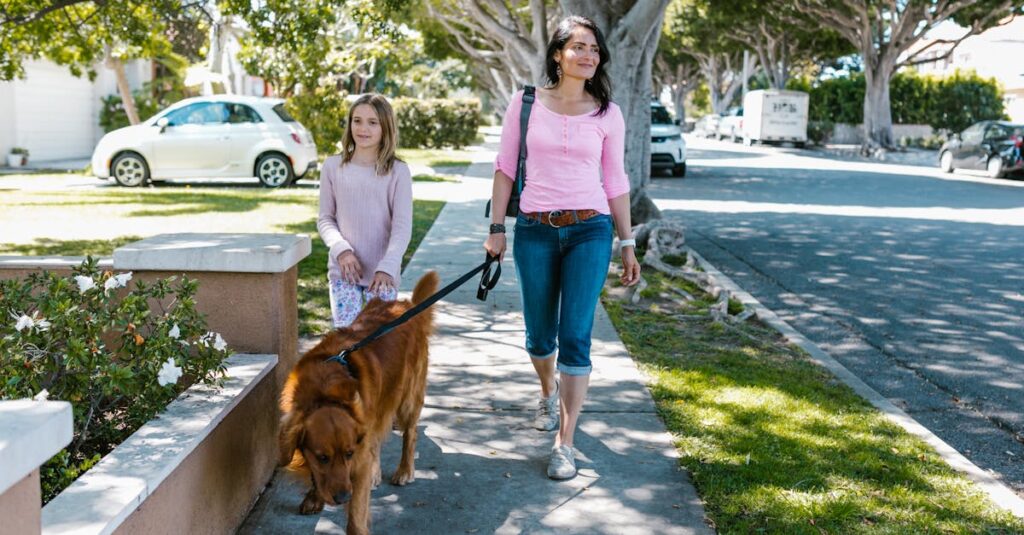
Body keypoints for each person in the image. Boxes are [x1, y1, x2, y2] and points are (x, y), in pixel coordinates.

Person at [483, 15, 641, 480]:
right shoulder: (526, 102)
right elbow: (505, 166)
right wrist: (496, 228)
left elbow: (615, 180)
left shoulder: (607, 112)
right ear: (558, 54)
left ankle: (564, 445)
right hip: (534, 228)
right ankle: (547, 390)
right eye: (579, 47)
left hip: (591, 229)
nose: (589, 55)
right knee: (538, 335)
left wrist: (627, 242)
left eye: (594, 48)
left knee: (576, 334)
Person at [318, 94, 413, 328]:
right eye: (357, 120)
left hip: (383, 277)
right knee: (347, 344)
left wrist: (388, 267)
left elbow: (401, 228)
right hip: (344, 273)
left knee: (378, 348)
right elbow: (325, 219)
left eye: (372, 122)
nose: (363, 128)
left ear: (385, 127)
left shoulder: (398, 172)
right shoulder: (333, 167)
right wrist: (341, 250)